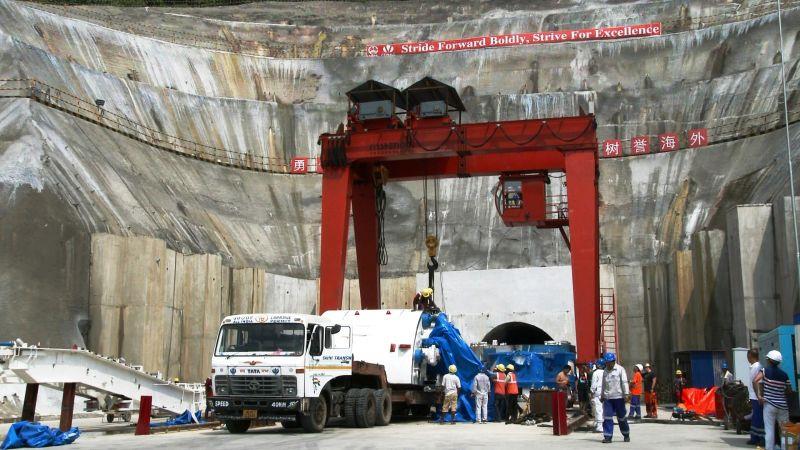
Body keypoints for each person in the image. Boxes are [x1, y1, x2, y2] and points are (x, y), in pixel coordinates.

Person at [759, 350, 793, 450]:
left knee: (769, 429)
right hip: (783, 406)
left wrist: (760, 396)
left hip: (769, 404)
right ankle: (785, 447)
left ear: (769, 360)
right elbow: (789, 390)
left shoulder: (765, 371)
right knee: (784, 430)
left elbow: (759, 383)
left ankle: (769, 448)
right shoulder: (784, 375)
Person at [600, 352, 630, 443]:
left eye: (609, 362)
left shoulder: (620, 369)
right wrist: (602, 395)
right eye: (606, 363)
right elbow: (603, 384)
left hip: (618, 397)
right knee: (607, 417)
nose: (608, 364)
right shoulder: (605, 371)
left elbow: (624, 382)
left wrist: (626, 394)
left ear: (613, 361)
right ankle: (608, 437)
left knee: (621, 418)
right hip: (608, 398)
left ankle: (626, 434)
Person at [746, 349, 765, 446]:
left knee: (758, 418)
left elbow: (758, 383)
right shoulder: (754, 367)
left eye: (748, 356)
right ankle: (755, 437)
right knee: (756, 417)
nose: (747, 358)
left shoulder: (757, 367)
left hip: (757, 397)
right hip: (754, 396)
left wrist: (759, 396)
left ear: (750, 356)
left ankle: (760, 438)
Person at [590, 359, 605, 433]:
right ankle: (599, 423)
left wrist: (592, 392)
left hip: (597, 392)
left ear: (598, 365)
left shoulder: (595, 373)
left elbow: (593, 384)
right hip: (604, 392)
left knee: (598, 409)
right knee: (603, 409)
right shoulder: (605, 372)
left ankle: (599, 427)